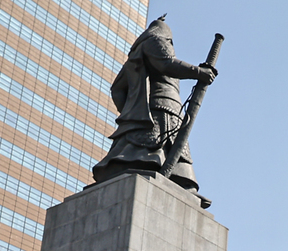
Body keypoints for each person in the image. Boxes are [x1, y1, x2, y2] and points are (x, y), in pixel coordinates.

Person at [91, 16, 216, 193]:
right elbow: (167, 64)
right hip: (161, 110)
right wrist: (199, 72)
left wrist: (130, 109)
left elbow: (117, 90)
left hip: (166, 111)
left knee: (172, 152)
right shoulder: (156, 41)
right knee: (153, 148)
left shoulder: (135, 55)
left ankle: (182, 184)